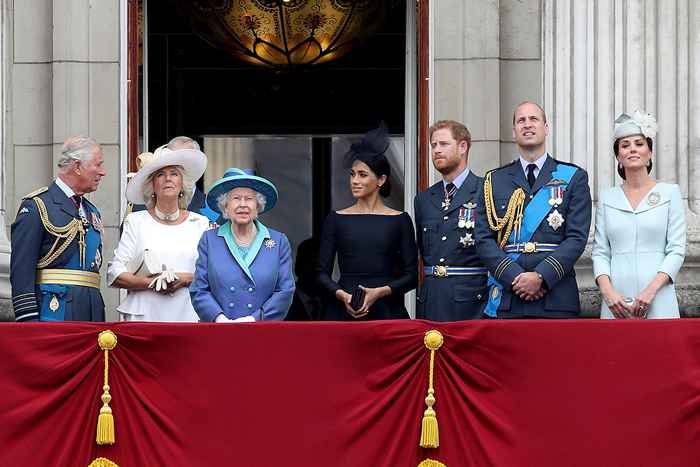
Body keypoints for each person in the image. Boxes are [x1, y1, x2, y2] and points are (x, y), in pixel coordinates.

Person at [475, 101, 592, 318]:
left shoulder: (573, 177)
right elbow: (483, 239)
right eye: (521, 120)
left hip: (556, 296)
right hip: (509, 297)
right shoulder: (494, 180)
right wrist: (515, 278)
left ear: (546, 128)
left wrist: (541, 277)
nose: (527, 125)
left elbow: (576, 238)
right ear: (514, 132)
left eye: (533, 119)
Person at [317, 124, 418, 320]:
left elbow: (412, 276)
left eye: (362, 175)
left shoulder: (400, 220)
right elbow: (321, 274)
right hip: (343, 310)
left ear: (380, 180)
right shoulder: (336, 219)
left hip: (387, 311)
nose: (355, 180)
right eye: (352, 174)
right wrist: (343, 296)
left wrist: (379, 292)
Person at [592, 111, 686, 319]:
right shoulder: (607, 198)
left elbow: (677, 250)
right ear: (618, 155)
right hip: (616, 300)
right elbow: (600, 252)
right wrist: (608, 293)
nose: (632, 149)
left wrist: (650, 291)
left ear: (650, 152)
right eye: (625, 145)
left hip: (658, 295)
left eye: (639, 143)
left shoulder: (669, 193)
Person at [10, 136, 107, 322]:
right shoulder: (37, 206)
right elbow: (22, 270)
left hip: (91, 313)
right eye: (98, 165)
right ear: (77, 167)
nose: (103, 172)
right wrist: (29, 322)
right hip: (54, 313)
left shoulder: (91, 211)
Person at [107, 147, 210, 321]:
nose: (168, 178)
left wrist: (184, 279)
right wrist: (152, 284)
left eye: (174, 173)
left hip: (188, 316)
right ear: (152, 185)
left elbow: (212, 274)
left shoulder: (200, 223)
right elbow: (115, 273)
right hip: (145, 317)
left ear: (182, 184)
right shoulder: (135, 221)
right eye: (160, 174)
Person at [190, 168, 294, 322]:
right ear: (225, 206)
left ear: (258, 205)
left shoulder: (278, 242)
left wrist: (254, 319)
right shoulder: (209, 240)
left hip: (262, 331)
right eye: (236, 198)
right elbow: (199, 289)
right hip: (219, 331)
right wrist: (218, 318)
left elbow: (285, 291)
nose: (243, 205)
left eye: (249, 199)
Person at [414, 120, 488, 321]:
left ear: (463, 147)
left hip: (472, 303)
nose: (436, 150)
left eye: (443, 144)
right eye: (433, 145)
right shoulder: (424, 199)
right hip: (432, 302)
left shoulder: (486, 191)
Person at [286, 237, 325, 321]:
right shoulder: (284, 301)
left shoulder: (334, 303)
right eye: (310, 263)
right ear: (297, 266)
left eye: (320, 266)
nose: (315, 270)